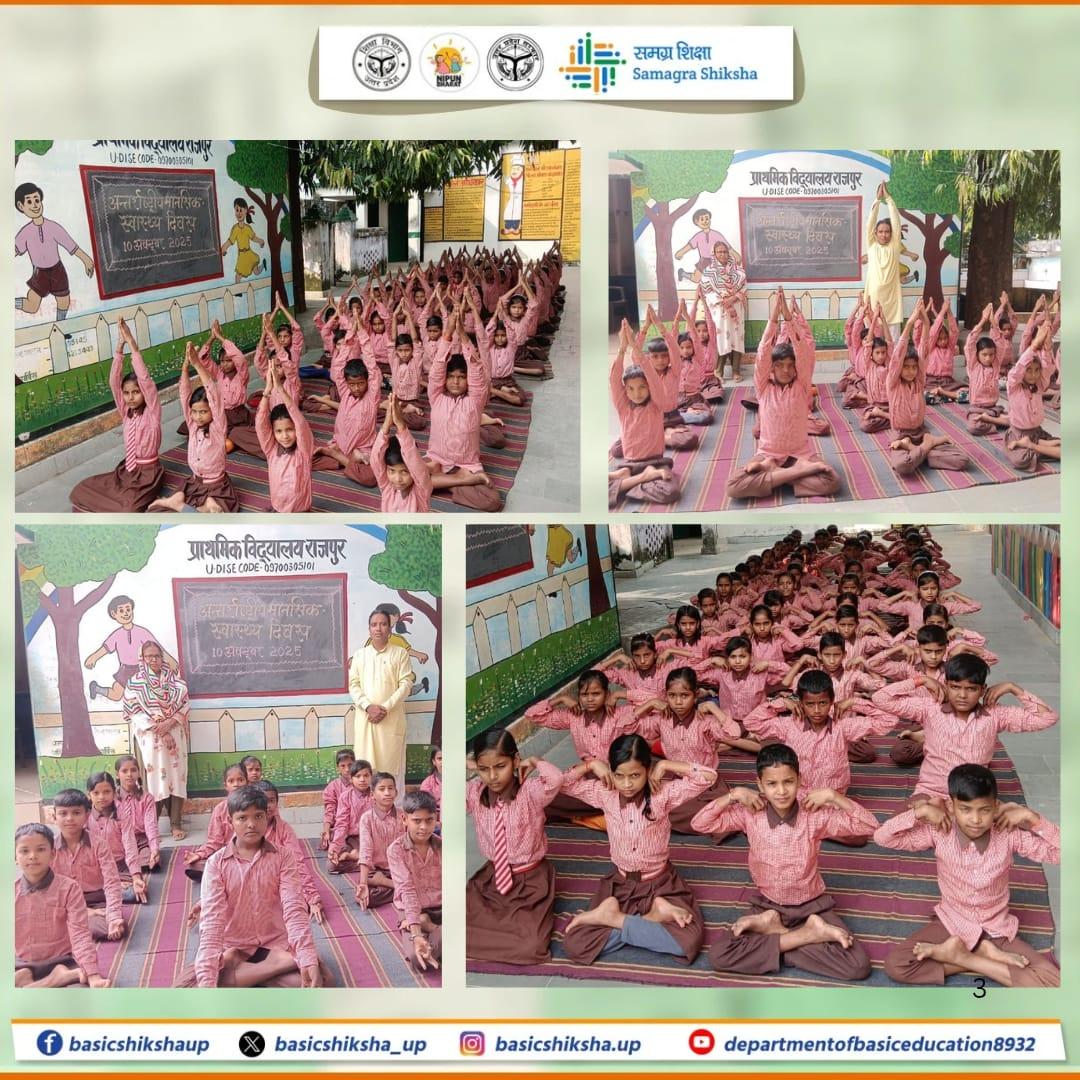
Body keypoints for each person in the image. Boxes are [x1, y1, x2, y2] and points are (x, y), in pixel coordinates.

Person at [693, 743, 876, 980]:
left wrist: (833, 796)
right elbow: (700, 824)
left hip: (812, 906)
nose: (781, 791)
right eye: (771, 784)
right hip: (767, 907)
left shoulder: (813, 815)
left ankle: (776, 938)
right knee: (720, 955)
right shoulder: (750, 814)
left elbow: (870, 826)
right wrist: (733, 795)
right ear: (759, 784)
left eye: (788, 782)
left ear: (799, 780)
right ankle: (806, 936)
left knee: (857, 966)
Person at [875, 764, 1059, 987]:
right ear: (951, 807)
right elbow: (883, 837)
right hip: (952, 922)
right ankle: (982, 956)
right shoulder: (940, 831)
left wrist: (1033, 819)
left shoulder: (1009, 835)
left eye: (984, 810)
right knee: (898, 965)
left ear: (996, 807)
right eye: (965, 809)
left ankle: (965, 956)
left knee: (1052, 982)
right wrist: (919, 812)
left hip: (996, 927)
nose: (975, 819)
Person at [560, 734, 718, 966]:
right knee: (575, 944)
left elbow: (708, 777)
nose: (626, 784)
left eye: (635, 775)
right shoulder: (605, 794)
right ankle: (647, 919)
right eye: (619, 776)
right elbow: (560, 783)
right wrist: (591, 764)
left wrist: (665, 764)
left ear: (647, 770)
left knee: (688, 942)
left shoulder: (662, 794)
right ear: (611, 772)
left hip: (661, 884)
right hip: (620, 886)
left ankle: (622, 919)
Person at [871, 654, 1057, 806]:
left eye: (971, 689)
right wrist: (920, 680)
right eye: (955, 687)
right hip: (932, 791)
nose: (962, 695)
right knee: (904, 825)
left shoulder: (995, 715)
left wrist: (1013, 688)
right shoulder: (930, 708)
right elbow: (880, 699)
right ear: (946, 685)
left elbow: (1047, 718)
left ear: (983, 690)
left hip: (974, 795)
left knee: (986, 834)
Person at [184, 786, 323, 988]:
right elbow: (212, 923)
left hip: (273, 943)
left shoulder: (283, 857)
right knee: (189, 985)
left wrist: (307, 956)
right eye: (242, 818)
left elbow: (294, 908)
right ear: (230, 821)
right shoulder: (216, 863)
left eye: (258, 816)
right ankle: (276, 967)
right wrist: (207, 981)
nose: (251, 824)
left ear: (267, 817)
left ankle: (266, 968)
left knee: (319, 977)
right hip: (234, 944)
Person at [726, 288, 840, 501]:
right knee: (733, 486)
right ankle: (795, 475)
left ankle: (776, 476)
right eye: (779, 366)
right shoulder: (763, 388)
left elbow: (804, 351)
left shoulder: (801, 386)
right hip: (768, 455)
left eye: (790, 366)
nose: (786, 370)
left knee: (832, 481)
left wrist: (789, 317)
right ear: (771, 368)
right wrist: (773, 318)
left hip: (801, 455)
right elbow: (762, 353)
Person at [466, 728, 563, 965]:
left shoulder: (530, 791)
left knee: (531, 946)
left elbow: (556, 780)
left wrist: (536, 761)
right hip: (491, 879)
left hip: (530, 881)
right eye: (484, 769)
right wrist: (467, 764)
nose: (492, 777)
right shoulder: (474, 792)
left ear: (515, 760)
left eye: (500, 766)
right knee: (454, 928)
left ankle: (500, 934)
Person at [744, 670, 897, 797]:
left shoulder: (843, 727)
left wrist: (854, 703)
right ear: (800, 703)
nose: (817, 710)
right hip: (799, 796)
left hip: (832, 797)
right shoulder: (789, 725)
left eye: (822, 703)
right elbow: (751, 722)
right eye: (810, 704)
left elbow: (889, 720)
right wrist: (781, 703)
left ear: (832, 701)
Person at [69, 318, 164, 512]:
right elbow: (114, 381)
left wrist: (131, 343)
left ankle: (119, 501)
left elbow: (145, 379)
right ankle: (114, 499)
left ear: (144, 393)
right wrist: (119, 347)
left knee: (128, 508)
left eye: (135, 392)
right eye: (127, 393)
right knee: (81, 489)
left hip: (148, 473)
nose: (130, 397)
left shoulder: (152, 412)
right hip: (127, 470)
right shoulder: (126, 411)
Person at [424, 305, 503, 512]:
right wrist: (448, 333)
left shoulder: (476, 399)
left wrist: (462, 335)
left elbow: (476, 370)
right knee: (410, 477)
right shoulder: (436, 396)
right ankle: (459, 481)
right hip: (437, 459)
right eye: (451, 377)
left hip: (468, 464)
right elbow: (437, 369)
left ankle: (447, 481)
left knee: (492, 501)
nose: (456, 382)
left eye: (461, 377)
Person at [149, 343, 239, 512]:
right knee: (156, 514)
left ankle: (188, 503)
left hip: (216, 487)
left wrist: (197, 364)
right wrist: (185, 366)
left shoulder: (217, 427)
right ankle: (181, 501)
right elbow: (184, 394)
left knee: (213, 522)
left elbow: (212, 392)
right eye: (195, 412)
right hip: (193, 484)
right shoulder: (193, 425)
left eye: (203, 412)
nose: (198, 416)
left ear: (212, 410)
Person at [15, 823, 108, 988]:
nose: (32, 856)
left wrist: (93, 976)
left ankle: (47, 979)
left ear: (52, 854)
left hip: (63, 959)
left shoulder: (69, 888)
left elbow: (80, 933)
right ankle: (52, 979)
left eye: (40, 849)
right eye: (24, 851)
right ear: (15, 858)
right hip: (23, 962)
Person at [885, 301, 969, 478]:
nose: (910, 371)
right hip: (900, 434)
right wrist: (909, 324)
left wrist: (926, 321)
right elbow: (897, 356)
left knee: (961, 460)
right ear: (899, 368)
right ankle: (924, 447)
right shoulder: (893, 383)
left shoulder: (919, 381)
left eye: (914, 367)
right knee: (902, 466)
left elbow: (924, 347)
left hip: (921, 432)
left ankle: (916, 448)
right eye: (906, 367)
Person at [122, 640, 190, 841]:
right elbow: (134, 711)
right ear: (142, 659)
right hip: (150, 739)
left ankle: (176, 823)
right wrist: (161, 729)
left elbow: (184, 705)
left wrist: (170, 723)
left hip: (175, 735)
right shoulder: (134, 684)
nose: (154, 659)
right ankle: (152, 827)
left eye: (157, 656)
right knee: (153, 780)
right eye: (149, 656)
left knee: (177, 777)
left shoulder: (176, 683)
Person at [608, 319, 679, 505]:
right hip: (630, 463)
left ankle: (624, 482)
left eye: (642, 387)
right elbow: (615, 379)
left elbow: (651, 375)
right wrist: (622, 348)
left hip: (655, 462)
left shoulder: (657, 404)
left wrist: (635, 346)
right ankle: (639, 479)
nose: (636, 393)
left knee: (669, 492)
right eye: (630, 389)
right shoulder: (623, 406)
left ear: (650, 387)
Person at [348, 609, 416, 795]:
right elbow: (353, 685)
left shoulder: (400, 654)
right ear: (369, 629)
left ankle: (396, 816)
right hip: (366, 720)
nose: (378, 628)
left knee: (393, 772)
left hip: (390, 720)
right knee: (366, 769)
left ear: (390, 628)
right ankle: (367, 816)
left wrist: (384, 707)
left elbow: (406, 683)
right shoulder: (360, 655)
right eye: (374, 624)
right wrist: (368, 706)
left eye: (383, 624)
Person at [310, 318, 381, 487]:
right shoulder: (344, 392)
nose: (356, 388)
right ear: (347, 383)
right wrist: (348, 339)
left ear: (367, 381)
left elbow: (371, 363)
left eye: (360, 383)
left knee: (371, 478)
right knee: (307, 461)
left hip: (364, 449)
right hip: (341, 445)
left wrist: (361, 334)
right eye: (352, 384)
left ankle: (338, 457)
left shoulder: (372, 395)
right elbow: (339, 365)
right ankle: (342, 457)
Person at [51, 788, 126, 941]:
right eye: (63, 814)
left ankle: (74, 927)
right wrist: (86, 912)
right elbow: (47, 888)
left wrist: (113, 917)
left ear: (86, 816)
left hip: (97, 900)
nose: (69, 818)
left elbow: (112, 882)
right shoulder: (49, 848)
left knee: (110, 928)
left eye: (76, 813)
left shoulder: (99, 845)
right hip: (64, 904)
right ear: (54, 817)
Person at [14, 182, 95, 320]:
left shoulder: (53, 227)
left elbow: (71, 246)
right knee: (32, 306)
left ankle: (60, 326)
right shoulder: (25, 233)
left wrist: (86, 260)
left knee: (64, 302)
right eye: (29, 201)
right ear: (21, 206)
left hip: (57, 270)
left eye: (37, 200)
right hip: (40, 273)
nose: (35, 205)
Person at [84, 594, 175, 702]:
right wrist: (93, 658)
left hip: (143, 669)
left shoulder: (142, 632)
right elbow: (105, 648)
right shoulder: (117, 635)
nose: (126, 613)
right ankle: (97, 689)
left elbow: (157, 648)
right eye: (121, 611)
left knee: (150, 694)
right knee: (116, 695)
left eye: (128, 609)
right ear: (114, 614)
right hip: (125, 670)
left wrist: (170, 660)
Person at [387, 791, 442, 971]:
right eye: (417, 821)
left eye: (429, 820)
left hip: (442, 909)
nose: (424, 827)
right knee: (417, 958)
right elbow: (407, 891)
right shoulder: (396, 850)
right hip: (413, 910)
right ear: (404, 819)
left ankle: (432, 926)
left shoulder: (444, 846)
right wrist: (417, 933)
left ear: (436, 819)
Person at [256, 363, 314, 513]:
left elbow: (300, 422)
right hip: (278, 509)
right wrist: (267, 391)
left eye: (289, 430)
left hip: (300, 512)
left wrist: (280, 389)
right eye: (279, 431)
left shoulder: (303, 451)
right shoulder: (271, 451)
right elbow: (260, 424)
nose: (285, 436)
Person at [1004, 322, 1060, 470]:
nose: (1034, 375)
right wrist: (1034, 345)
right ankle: (1040, 446)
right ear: (1023, 371)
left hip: (1037, 433)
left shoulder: (1039, 386)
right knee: (1020, 461)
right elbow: (1019, 367)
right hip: (1018, 434)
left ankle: (1033, 445)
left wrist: (1047, 346)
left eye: (1036, 370)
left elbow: (1047, 369)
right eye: (1029, 371)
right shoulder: (1014, 386)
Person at [86, 771, 148, 905]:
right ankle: (109, 891)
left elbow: (130, 845)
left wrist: (136, 877)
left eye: (107, 792)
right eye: (96, 793)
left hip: (120, 868)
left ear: (114, 792)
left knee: (134, 894)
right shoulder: (85, 817)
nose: (101, 797)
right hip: (95, 870)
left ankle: (104, 893)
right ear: (89, 794)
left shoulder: (121, 815)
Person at [183, 763, 248, 880]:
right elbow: (214, 841)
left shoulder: (254, 805)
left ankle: (219, 874)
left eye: (241, 780)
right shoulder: (220, 809)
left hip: (249, 853)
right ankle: (221, 872)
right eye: (231, 781)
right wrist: (198, 854)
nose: (236, 784)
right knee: (196, 864)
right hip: (225, 854)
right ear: (226, 785)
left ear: (247, 782)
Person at [371, 395, 434, 513]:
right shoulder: (386, 486)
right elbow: (375, 460)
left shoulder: (421, 490)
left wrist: (401, 426)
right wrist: (386, 425)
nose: (397, 479)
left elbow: (415, 464)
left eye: (405, 472)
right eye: (391, 471)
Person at [354, 772, 403, 910]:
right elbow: (365, 850)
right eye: (382, 789)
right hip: (376, 870)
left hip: (400, 870)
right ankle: (403, 889)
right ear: (372, 794)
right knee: (368, 897)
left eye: (391, 788)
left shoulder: (403, 816)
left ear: (396, 792)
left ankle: (385, 883)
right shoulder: (367, 818)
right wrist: (363, 883)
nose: (387, 793)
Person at [701, 242, 747, 381]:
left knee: (737, 338)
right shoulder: (708, 272)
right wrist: (724, 302)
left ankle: (736, 371)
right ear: (714, 254)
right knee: (721, 339)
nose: (723, 254)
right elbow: (707, 291)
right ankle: (719, 371)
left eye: (725, 252)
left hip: (736, 309)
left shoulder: (738, 271)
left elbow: (744, 288)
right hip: (720, 311)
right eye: (719, 252)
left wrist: (732, 299)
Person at [864, 181, 904, 335]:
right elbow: (870, 224)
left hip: (892, 298)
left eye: (887, 231)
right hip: (874, 298)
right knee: (873, 337)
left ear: (891, 233)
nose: (884, 234)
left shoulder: (894, 246)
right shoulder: (872, 246)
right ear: (875, 233)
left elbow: (896, 222)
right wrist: (877, 201)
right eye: (880, 231)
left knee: (892, 340)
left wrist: (888, 200)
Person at [964, 304, 1010, 436]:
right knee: (973, 427)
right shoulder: (973, 366)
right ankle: (997, 422)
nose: (988, 358)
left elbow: (1000, 343)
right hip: (976, 409)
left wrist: (994, 324)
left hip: (993, 409)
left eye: (991, 355)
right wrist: (983, 320)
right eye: (984, 355)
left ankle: (991, 420)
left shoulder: (995, 366)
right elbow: (969, 344)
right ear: (977, 354)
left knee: (1019, 420)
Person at [113, 754, 160, 873]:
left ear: (139, 773)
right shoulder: (113, 798)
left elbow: (151, 825)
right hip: (120, 842)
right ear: (117, 774)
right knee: (117, 862)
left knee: (149, 861)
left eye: (133, 770)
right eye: (124, 771)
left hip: (141, 842)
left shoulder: (147, 798)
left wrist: (154, 849)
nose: (129, 774)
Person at [328, 759, 374, 873]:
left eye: (366, 775)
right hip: (353, 840)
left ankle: (358, 858)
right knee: (331, 865)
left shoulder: (376, 794)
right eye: (358, 776)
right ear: (351, 779)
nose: (362, 779)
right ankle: (363, 860)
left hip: (374, 838)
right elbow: (341, 824)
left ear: (371, 777)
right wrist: (334, 846)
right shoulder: (345, 797)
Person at [221, 197, 265, 282]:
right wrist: (224, 247)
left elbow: (253, 238)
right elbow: (230, 241)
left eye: (241, 210)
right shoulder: (235, 229)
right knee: (238, 276)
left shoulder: (248, 228)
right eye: (237, 210)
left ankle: (263, 265)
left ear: (245, 211)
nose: (239, 213)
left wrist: (261, 241)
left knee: (256, 272)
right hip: (242, 256)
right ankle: (238, 293)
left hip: (249, 254)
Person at [320, 750, 355, 850]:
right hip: (340, 826)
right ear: (337, 768)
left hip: (358, 825)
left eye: (350, 765)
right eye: (343, 766)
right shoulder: (332, 787)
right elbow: (329, 810)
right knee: (332, 839)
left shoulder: (361, 783)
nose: (347, 769)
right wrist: (326, 830)